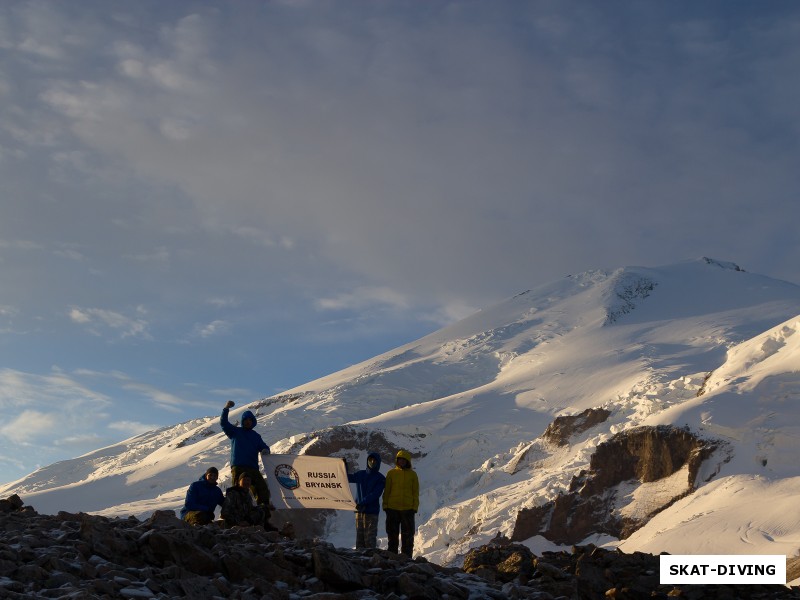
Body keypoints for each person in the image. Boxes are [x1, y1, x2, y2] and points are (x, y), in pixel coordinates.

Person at [220, 400, 273, 527]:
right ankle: (234, 520)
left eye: (250, 420)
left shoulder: (256, 436)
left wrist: (266, 450)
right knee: (237, 493)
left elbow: (264, 447)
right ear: (243, 421)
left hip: (253, 468)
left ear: (253, 422)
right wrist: (226, 408)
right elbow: (223, 423)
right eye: (245, 420)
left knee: (262, 490)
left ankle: (263, 519)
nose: (248, 422)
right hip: (238, 466)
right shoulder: (235, 432)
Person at [382, 449, 419, 557]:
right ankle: (392, 556)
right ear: (397, 461)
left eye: (404, 460)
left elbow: (415, 492)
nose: (402, 462)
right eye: (400, 460)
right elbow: (387, 490)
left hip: (408, 509)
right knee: (392, 534)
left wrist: (414, 507)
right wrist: (385, 505)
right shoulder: (391, 473)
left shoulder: (413, 475)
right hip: (392, 508)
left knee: (408, 536)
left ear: (408, 461)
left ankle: (406, 558)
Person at [347, 452, 386, 549]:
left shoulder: (380, 478)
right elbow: (347, 478)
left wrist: (362, 502)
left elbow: (376, 494)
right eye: (370, 460)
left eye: (374, 460)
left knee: (369, 538)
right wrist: (343, 467)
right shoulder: (360, 474)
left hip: (371, 512)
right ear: (367, 461)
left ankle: (371, 561)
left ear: (378, 463)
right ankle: (360, 561)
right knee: (359, 539)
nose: (372, 462)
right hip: (359, 511)